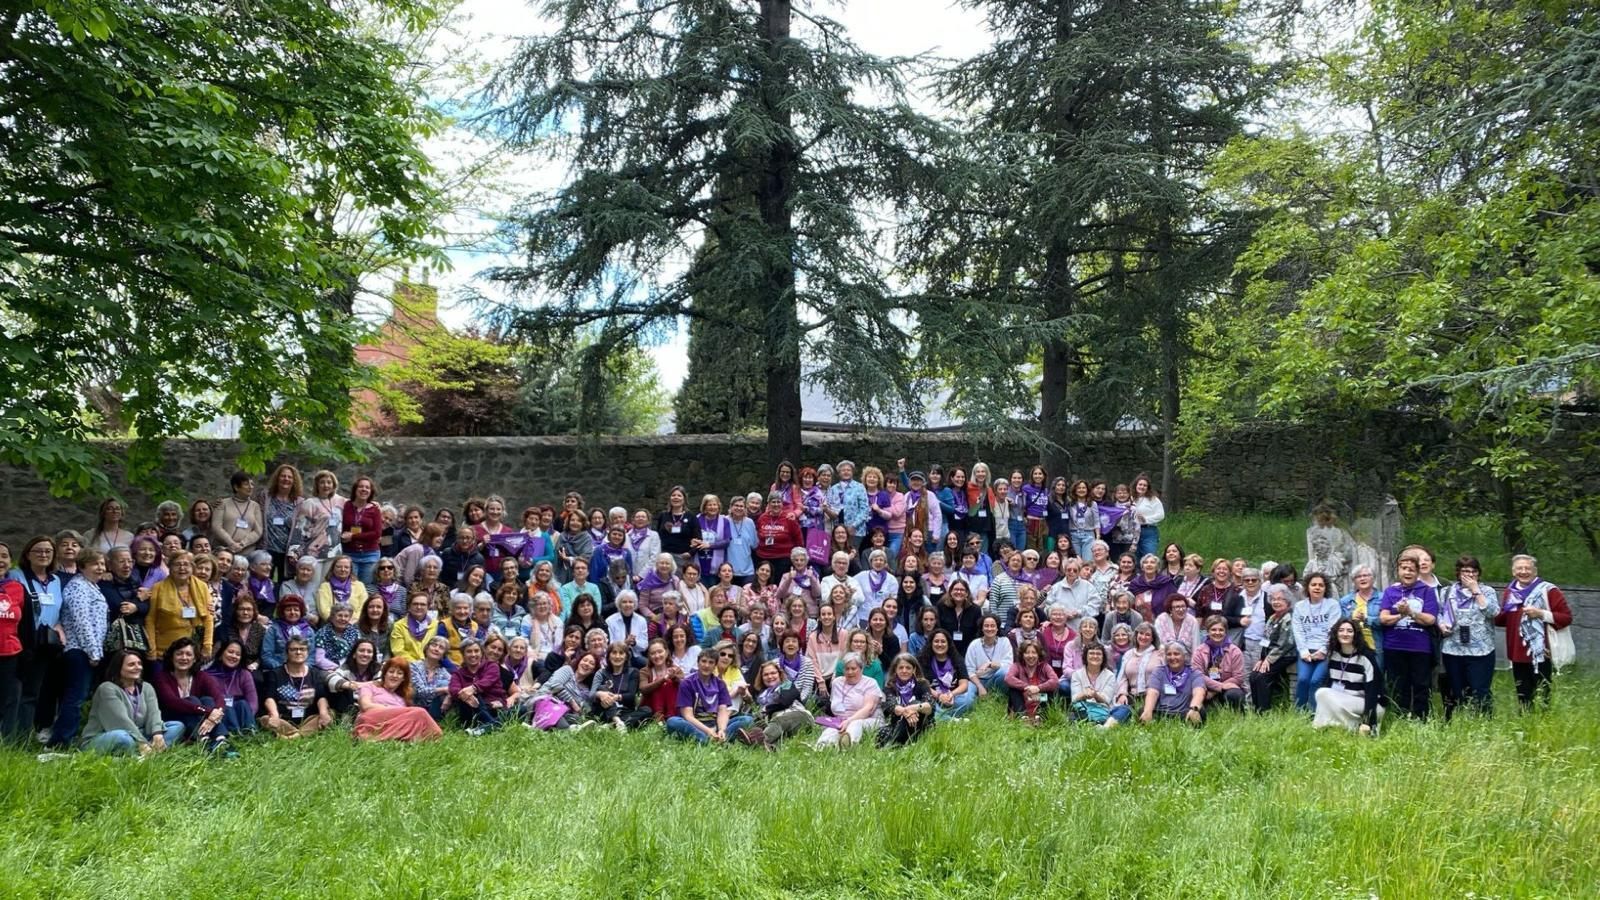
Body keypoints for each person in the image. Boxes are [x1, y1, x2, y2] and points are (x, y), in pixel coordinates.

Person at [1496, 554, 1573, 709]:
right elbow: (1502, 621)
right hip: (1517, 652)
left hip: (1542, 652)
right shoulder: (1510, 591)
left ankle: (1544, 727)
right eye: (1519, 568)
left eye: (1527, 568)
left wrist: (1541, 614)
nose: (1523, 571)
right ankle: (1526, 725)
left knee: (1543, 697)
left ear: (1535, 571)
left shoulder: (1549, 590)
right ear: (1513, 571)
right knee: (1523, 697)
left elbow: (1566, 617)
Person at [50, 549, 107, 748]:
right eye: (95, 564)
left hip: (88, 650)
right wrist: (93, 652)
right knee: (74, 697)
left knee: (79, 696)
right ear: (82, 566)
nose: (100, 568)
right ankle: (61, 740)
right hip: (79, 650)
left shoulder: (92, 587)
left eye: (102, 564)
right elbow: (81, 621)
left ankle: (68, 736)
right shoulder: (78, 588)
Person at [80, 650, 185, 755]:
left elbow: (154, 713)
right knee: (122, 737)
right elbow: (120, 721)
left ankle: (147, 751)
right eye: (131, 665)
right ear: (118, 668)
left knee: (177, 726)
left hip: (140, 733)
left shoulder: (147, 687)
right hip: (108, 735)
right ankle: (146, 751)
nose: (137, 667)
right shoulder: (107, 688)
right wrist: (141, 742)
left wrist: (157, 733)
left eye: (139, 664)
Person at [1437, 555, 1499, 719]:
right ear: (1458, 573)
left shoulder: (1487, 591)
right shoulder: (1447, 592)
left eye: (1473, 571)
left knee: (1480, 690)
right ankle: (1463, 721)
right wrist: (1441, 625)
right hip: (1453, 649)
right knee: (1458, 690)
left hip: (1481, 650)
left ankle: (1484, 722)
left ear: (1478, 573)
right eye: (1465, 571)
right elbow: (1439, 613)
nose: (1469, 575)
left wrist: (1475, 590)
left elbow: (1492, 612)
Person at [1378, 556, 1440, 720]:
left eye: (1411, 569)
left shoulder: (1427, 591)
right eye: (1404, 568)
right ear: (1398, 571)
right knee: (1398, 685)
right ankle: (1400, 717)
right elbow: (1383, 618)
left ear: (1417, 572)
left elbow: (1430, 619)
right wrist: (1400, 615)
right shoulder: (1390, 591)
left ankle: (1421, 719)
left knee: (1421, 685)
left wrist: (1411, 612)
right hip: (1394, 646)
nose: (1407, 572)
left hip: (1420, 647)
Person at [150, 637, 230, 753]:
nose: (184, 658)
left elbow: (219, 698)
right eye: (179, 654)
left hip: (197, 719)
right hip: (173, 719)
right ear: (172, 657)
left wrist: (215, 715)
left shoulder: (201, 676)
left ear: (194, 659)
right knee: (192, 700)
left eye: (188, 654)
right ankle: (203, 739)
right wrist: (208, 712)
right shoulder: (161, 677)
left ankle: (220, 739)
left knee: (208, 700)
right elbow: (172, 702)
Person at [1313, 618, 1385, 735]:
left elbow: (1372, 692)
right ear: (1336, 634)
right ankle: (1325, 728)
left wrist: (1369, 721)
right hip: (1343, 699)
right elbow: (1330, 685)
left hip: (1368, 704)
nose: (1345, 634)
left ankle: (1358, 727)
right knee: (1321, 694)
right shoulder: (1334, 654)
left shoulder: (1366, 657)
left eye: (1349, 631)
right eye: (1341, 630)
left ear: (1355, 634)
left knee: (1323, 693)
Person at [666, 650, 754, 744]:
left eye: (711, 662)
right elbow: (688, 716)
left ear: (715, 665)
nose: (706, 665)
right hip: (695, 725)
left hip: (714, 723)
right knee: (673, 721)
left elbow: (722, 711)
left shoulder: (720, 684)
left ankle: (721, 738)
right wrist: (708, 731)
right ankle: (708, 740)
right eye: (703, 661)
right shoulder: (687, 683)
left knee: (747, 719)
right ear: (698, 663)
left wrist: (722, 730)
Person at [354, 658, 444, 742]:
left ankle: (387, 736)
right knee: (420, 712)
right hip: (372, 718)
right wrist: (393, 709)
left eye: (399, 673)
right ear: (384, 674)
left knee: (412, 719)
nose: (394, 676)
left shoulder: (402, 699)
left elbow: (404, 720)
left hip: (394, 724)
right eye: (391, 672)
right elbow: (366, 706)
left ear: (403, 678)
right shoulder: (370, 687)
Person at [259, 637, 332, 738]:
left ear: (307, 652)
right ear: (287, 653)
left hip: (308, 719)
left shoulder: (314, 673)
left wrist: (324, 713)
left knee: (330, 714)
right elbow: (269, 698)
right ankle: (304, 734)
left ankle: (291, 737)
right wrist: (274, 715)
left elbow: (321, 697)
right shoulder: (275, 673)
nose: (298, 652)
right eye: (293, 649)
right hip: (283, 719)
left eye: (302, 649)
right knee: (265, 719)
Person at [147, 550, 214, 661]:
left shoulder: (202, 587)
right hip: (165, 650)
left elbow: (208, 618)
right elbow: (150, 620)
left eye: (186, 564)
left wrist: (207, 646)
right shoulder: (158, 588)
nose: (182, 568)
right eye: (177, 564)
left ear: (192, 568)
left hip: (193, 650)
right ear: (170, 567)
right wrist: (152, 649)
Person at [1290, 572, 1340, 712]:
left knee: (1316, 680)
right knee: (1303, 680)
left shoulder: (1332, 605)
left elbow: (1334, 629)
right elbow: (1298, 630)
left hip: (1326, 650)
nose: (1317, 588)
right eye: (1314, 585)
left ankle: (1314, 713)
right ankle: (1299, 713)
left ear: (1325, 588)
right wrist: (1304, 651)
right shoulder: (1300, 607)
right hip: (1306, 650)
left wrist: (1324, 650)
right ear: (1307, 587)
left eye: (1321, 585)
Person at [815, 651, 883, 749]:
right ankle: (820, 748)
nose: (850, 672)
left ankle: (847, 747)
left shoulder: (870, 683)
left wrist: (849, 721)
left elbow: (868, 709)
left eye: (853, 668)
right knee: (831, 730)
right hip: (842, 721)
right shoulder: (837, 683)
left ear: (861, 669)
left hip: (867, 720)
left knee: (855, 724)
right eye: (847, 669)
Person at [1247, 589, 1297, 712]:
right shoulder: (1272, 618)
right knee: (1254, 675)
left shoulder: (1289, 618)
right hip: (1271, 654)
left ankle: (1264, 711)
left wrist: (1268, 660)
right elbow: (1265, 640)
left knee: (1263, 676)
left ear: (1288, 602)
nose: (1276, 602)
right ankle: (1255, 709)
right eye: (1274, 599)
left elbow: (1285, 644)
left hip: (1286, 655)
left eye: (1280, 599)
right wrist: (1261, 659)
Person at [748, 660, 814, 748]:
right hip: (782, 727)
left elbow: (785, 701)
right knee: (781, 739)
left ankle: (758, 742)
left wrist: (767, 709)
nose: (770, 676)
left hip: (800, 717)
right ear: (761, 678)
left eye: (773, 673)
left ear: (779, 674)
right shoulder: (762, 697)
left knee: (779, 721)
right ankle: (770, 747)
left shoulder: (787, 685)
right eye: (766, 675)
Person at [449, 639, 509, 733]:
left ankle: (482, 729)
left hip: (494, 707)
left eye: (476, 651)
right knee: (469, 694)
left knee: (522, 709)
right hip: (471, 711)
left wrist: (473, 688)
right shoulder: (458, 674)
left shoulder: (491, 666)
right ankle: (494, 725)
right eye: (469, 651)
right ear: (463, 654)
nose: (473, 655)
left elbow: (488, 680)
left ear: (481, 653)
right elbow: (453, 689)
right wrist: (465, 694)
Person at [591, 641, 653, 731]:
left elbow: (631, 696)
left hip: (625, 711)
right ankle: (618, 722)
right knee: (602, 689)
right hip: (605, 711)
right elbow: (591, 694)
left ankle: (610, 726)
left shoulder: (633, 672)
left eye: (621, 653)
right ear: (608, 656)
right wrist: (600, 694)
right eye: (614, 653)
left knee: (647, 710)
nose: (617, 656)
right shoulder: (603, 673)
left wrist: (616, 697)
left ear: (626, 656)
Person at [1141, 640, 1205, 726]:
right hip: (1161, 712)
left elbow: (1199, 692)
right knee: (1143, 710)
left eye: (1176, 654)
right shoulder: (1159, 671)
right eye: (1169, 654)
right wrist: (1148, 711)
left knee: (1200, 712)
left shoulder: (1194, 672)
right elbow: (1153, 692)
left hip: (1184, 712)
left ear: (1184, 656)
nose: (1172, 657)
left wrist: (1194, 709)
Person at [876, 654, 934, 747]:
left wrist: (914, 707)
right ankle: (899, 743)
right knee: (881, 733)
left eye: (908, 668)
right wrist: (906, 712)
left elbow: (929, 706)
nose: (904, 671)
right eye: (901, 668)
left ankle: (894, 744)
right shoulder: (890, 687)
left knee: (916, 703)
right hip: (897, 725)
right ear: (896, 669)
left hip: (921, 725)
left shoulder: (922, 684)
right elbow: (892, 706)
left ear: (914, 670)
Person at [1067, 643, 1130, 727]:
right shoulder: (1077, 675)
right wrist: (1084, 694)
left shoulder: (1110, 675)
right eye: (1092, 653)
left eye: (1098, 654)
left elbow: (1107, 700)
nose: (1095, 656)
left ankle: (1104, 728)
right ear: (1086, 656)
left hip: (1104, 710)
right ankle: (1091, 723)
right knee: (1073, 712)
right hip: (1084, 709)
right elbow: (1074, 699)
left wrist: (1095, 695)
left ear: (1103, 657)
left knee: (1125, 709)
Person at [1192, 615, 1246, 712]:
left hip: (1227, 688)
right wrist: (1218, 686)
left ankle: (1237, 718)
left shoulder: (1235, 651)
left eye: (1221, 630)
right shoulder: (1199, 651)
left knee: (1235, 695)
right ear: (1208, 631)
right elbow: (1197, 675)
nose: (1217, 633)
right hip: (1205, 688)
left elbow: (1238, 677)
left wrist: (1216, 690)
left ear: (1226, 632)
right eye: (1213, 630)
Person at [205, 638, 258, 736]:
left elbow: (253, 703)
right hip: (219, 717)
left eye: (238, 654)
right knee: (227, 708)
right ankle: (233, 733)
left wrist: (248, 716)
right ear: (221, 654)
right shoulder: (207, 676)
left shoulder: (244, 674)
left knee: (243, 703)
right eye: (230, 652)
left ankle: (249, 731)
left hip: (240, 715)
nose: (234, 656)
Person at [919, 629, 975, 719]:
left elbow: (964, 684)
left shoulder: (958, 659)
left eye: (943, 642)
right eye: (936, 641)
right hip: (933, 697)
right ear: (931, 644)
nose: (940, 644)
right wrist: (939, 696)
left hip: (954, 697)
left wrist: (951, 695)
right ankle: (951, 719)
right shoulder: (923, 660)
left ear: (948, 644)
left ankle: (942, 716)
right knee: (927, 705)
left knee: (967, 701)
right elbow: (922, 685)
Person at [1004, 639, 1058, 724]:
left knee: (1051, 691)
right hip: (1023, 698)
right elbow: (1008, 678)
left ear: (1038, 654)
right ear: (1022, 655)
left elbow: (1055, 681)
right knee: (1013, 690)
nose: (1030, 656)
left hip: (1039, 698)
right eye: (1027, 653)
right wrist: (1026, 687)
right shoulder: (1017, 666)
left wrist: (1038, 688)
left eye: (1034, 652)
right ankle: (1022, 717)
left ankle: (1041, 717)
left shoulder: (1045, 666)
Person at [327, 638, 382, 716]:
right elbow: (330, 679)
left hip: (370, 706)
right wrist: (349, 685)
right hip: (349, 706)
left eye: (369, 652)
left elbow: (383, 682)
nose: (365, 654)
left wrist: (360, 685)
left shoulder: (377, 669)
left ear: (373, 656)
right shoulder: (346, 667)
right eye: (361, 650)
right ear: (354, 654)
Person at [410, 636, 453, 721]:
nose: (436, 649)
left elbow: (454, 687)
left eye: (441, 648)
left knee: (447, 684)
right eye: (434, 645)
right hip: (416, 708)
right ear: (427, 648)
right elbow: (420, 692)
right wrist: (443, 689)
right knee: (444, 685)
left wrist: (449, 696)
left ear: (443, 655)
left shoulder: (443, 671)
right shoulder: (414, 666)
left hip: (434, 709)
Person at [1131, 473, 1164, 560]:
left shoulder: (1153, 499)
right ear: (1136, 485)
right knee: (1134, 558)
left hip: (1148, 531)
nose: (1142, 487)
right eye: (1140, 484)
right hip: (1132, 532)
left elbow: (1161, 515)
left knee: (1149, 556)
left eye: (1145, 485)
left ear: (1148, 488)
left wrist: (1146, 519)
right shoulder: (1130, 498)